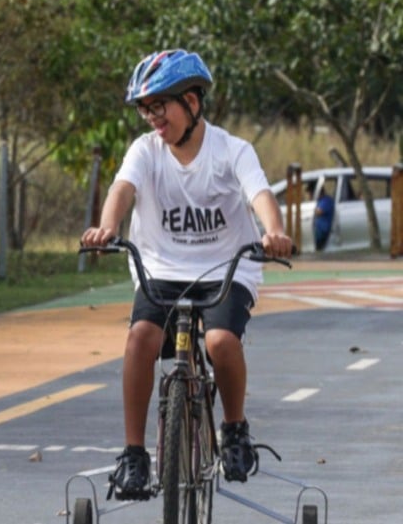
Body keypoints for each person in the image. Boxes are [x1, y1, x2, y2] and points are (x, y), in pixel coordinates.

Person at [80, 49, 293, 501]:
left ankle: (234, 429)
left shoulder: (231, 151)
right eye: (145, 108)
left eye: (160, 105)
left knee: (219, 341)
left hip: (224, 270)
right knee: (140, 338)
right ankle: (135, 455)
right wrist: (107, 226)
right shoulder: (145, 151)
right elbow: (122, 189)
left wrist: (274, 232)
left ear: (193, 102)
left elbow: (259, 194)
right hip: (161, 268)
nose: (153, 118)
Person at [313, 185, 335, 251]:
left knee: (319, 246)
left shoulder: (326, 200)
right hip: (319, 228)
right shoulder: (320, 201)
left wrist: (312, 209)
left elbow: (319, 212)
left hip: (323, 229)